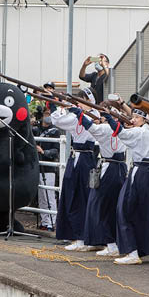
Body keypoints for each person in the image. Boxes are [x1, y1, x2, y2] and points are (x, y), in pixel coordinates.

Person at [102, 108, 149, 264]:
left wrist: (108, 116)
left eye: (136, 117)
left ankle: (133, 253)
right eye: (132, 117)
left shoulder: (140, 132)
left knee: (125, 209)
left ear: (145, 120)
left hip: (140, 172)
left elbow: (121, 132)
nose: (133, 120)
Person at [69, 108, 127, 255]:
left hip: (109, 168)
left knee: (100, 206)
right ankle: (113, 242)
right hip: (120, 167)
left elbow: (90, 127)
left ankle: (111, 244)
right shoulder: (123, 129)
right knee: (113, 206)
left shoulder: (106, 128)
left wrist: (78, 114)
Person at [50, 89, 97, 250]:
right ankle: (77, 236)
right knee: (71, 195)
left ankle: (83, 237)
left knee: (82, 197)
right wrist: (63, 105)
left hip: (85, 158)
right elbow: (56, 119)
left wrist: (64, 107)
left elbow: (57, 120)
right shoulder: (80, 115)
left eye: (81, 100)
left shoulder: (92, 116)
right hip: (77, 156)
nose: (78, 103)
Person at [33, 109, 61, 231]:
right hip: (37, 166)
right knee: (41, 196)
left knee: (49, 194)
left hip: (49, 167)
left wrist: (44, 152)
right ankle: (44, 221)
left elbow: (56, 150)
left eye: (49, 115)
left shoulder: (55, 131)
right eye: (46, 114)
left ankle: (52, 222)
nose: (47, 117)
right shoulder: (36, 129)